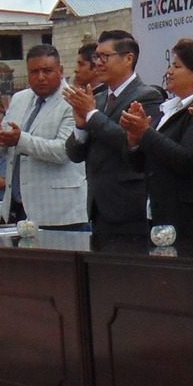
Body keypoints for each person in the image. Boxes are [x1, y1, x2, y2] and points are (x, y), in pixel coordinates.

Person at [122, 38, 193, 246]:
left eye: (177, 66)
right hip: (163, 216)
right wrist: (134, 140)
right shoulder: (169, 109)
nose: (169, 71)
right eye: (170, 65)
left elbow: (188, 159)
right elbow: (143, 165)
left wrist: (146, 133)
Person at [64, 29, 162, 244]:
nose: (98, 63)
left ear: (128, 59)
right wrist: (80, 127)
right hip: (98, 207)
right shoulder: (97, 99)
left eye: (104, 57)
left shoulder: (147, 96)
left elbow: (131, 140)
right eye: (96, 57)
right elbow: (73, 153)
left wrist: (90, 115)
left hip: (130, 207)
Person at [0, 45, 87, 229]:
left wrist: (19, 140)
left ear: (61, 71)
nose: (40, 77)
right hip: (17, 208)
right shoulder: (19, 98)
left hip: (60, 212)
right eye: (34, 72)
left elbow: (65, 151)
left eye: (47, 71)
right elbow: (9, 147)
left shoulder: (73, 100)